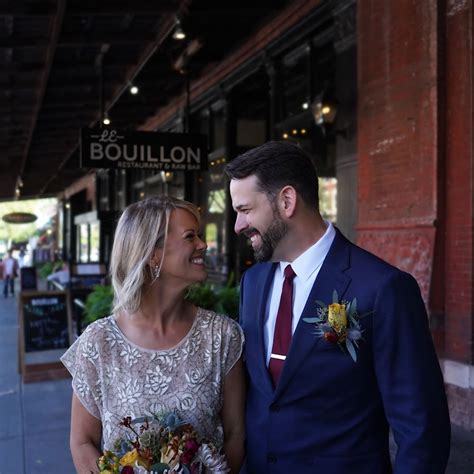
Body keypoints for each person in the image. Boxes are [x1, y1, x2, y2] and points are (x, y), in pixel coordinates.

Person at [225, 141, 450, 473]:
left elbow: (422, 429)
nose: (238, 226)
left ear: (287, 201)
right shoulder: (253, 282)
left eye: (245, 210)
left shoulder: (383, 288)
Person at [61, 196, 245, 474]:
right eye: (190, 236)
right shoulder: (98, 342)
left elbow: (235, 434)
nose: (203, 244)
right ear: (152, 254)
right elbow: (82, 441)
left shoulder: (221, 336)